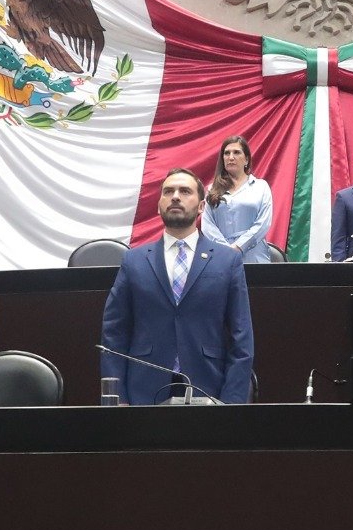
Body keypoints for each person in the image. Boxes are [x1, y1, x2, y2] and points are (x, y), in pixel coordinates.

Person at [100, 168, 255, 404]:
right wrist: (117, 397)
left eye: (185, 191)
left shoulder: (227, 261)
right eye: (168, 191)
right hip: (143, 392)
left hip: (209, 389)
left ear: (202, 206)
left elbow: (241, 337)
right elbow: (114, 333)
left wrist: (231, 403)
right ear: (158, 204)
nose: (175, 196)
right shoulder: (134, 261)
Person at [201, 135, 274, 263]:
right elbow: (207, 226)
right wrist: (226, 251)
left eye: (236, 152)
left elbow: (263, 223)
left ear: (246, 159)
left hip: (254, 258)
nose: (230, 157)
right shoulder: (212, 189)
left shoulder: (261, 187)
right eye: (226, 153)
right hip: (220, 257)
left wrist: (239, 247)